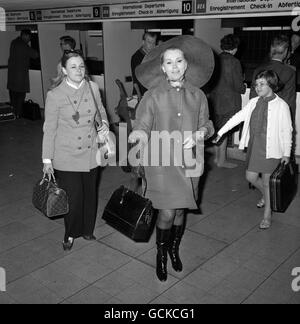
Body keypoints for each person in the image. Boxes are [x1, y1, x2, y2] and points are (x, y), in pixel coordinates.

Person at [129, 36, 215, 282]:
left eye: (179, 61)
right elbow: (143, 123)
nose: (175, 66)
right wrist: (138, 134)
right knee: (167, 213)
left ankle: (174, 249)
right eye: (169, 62)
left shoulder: (198, 95)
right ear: (162, 67)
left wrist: (201, 133)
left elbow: (207, 125)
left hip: (189, 161)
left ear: (187, 65)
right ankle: (161, 255)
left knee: (180, 212)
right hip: (161, 162)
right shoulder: (152, 95)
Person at [42, 50, 110, 251]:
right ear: (64, 70)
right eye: (73, 66)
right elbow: (50, 128)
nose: (79, 70)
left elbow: (101, 110)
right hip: (66, 155)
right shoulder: (55, 95)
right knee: (73, 196)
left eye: (81, 66)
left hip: (90, 152)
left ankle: (87, 229)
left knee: (90, 193)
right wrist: (47, 160)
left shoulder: (92, 87)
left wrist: (104, 124)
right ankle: (71, 233)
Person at [213, 70, 292, 230]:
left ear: (271, 84)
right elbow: (238, 117)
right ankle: (268, 196)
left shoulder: (281, 105)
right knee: (250, 177)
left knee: (266, 181)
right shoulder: (254, 102)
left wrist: (286, 153)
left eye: (262, 84)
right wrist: (220, 132)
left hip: (271, 150)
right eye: (256, 84)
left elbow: (287, 130)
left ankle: (267, 214)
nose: (257, 87)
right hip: (255, 147)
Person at [210, 34, 246, 168]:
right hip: (229, 102)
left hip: (215, 100)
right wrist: (244, 87)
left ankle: (216, 158)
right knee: (225, 131)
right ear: (235, 48)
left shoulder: (215, 59)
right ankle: (221, 160)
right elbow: (238, 86)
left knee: (218, 129)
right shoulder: (235, 62)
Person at [250, 35, 296, 123]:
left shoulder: (258, 70)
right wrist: (290, 123)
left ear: (271, 49)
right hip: (278, 118)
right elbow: (289, 101)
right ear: (286, 51)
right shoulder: (289, 72)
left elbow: (253, 97)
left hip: (259, 116)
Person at [7, 29, 39, 118]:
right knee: (20, 96)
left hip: (12, 76)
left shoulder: (13, 42)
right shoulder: (23, 45)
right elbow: (35, 54)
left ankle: (13, 114)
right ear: (25, 35)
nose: (29, 39)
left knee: (13, 96)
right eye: (29, 37)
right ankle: (18, 114)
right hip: (20, 77)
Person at [131, 31, 158, 98]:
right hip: (141, 94)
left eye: (154, 43)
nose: (152, 45)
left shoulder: (153, 55)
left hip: (151, 93)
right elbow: (135, 80)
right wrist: (139, 96)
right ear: (143, 42)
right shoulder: (136, 57)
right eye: (149, 42)